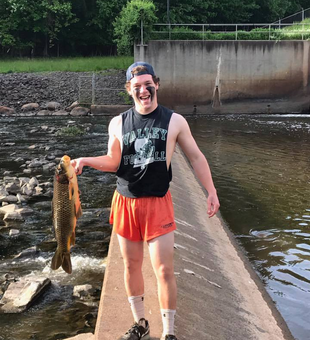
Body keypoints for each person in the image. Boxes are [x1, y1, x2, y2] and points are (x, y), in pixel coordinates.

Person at [71, 62, 220, 340]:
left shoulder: (174, 121)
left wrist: (211, 191)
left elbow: (196, 157)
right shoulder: (118, 123)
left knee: (164, 269)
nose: (143, 91)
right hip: (126, 202)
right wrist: (85, 161)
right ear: (129, 89)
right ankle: (140, 323)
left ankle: (169, 333)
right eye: (137, 86)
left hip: (158, 203)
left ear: (157, 85)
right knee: (131, 266)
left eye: (148, 84)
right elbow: (114, 161)